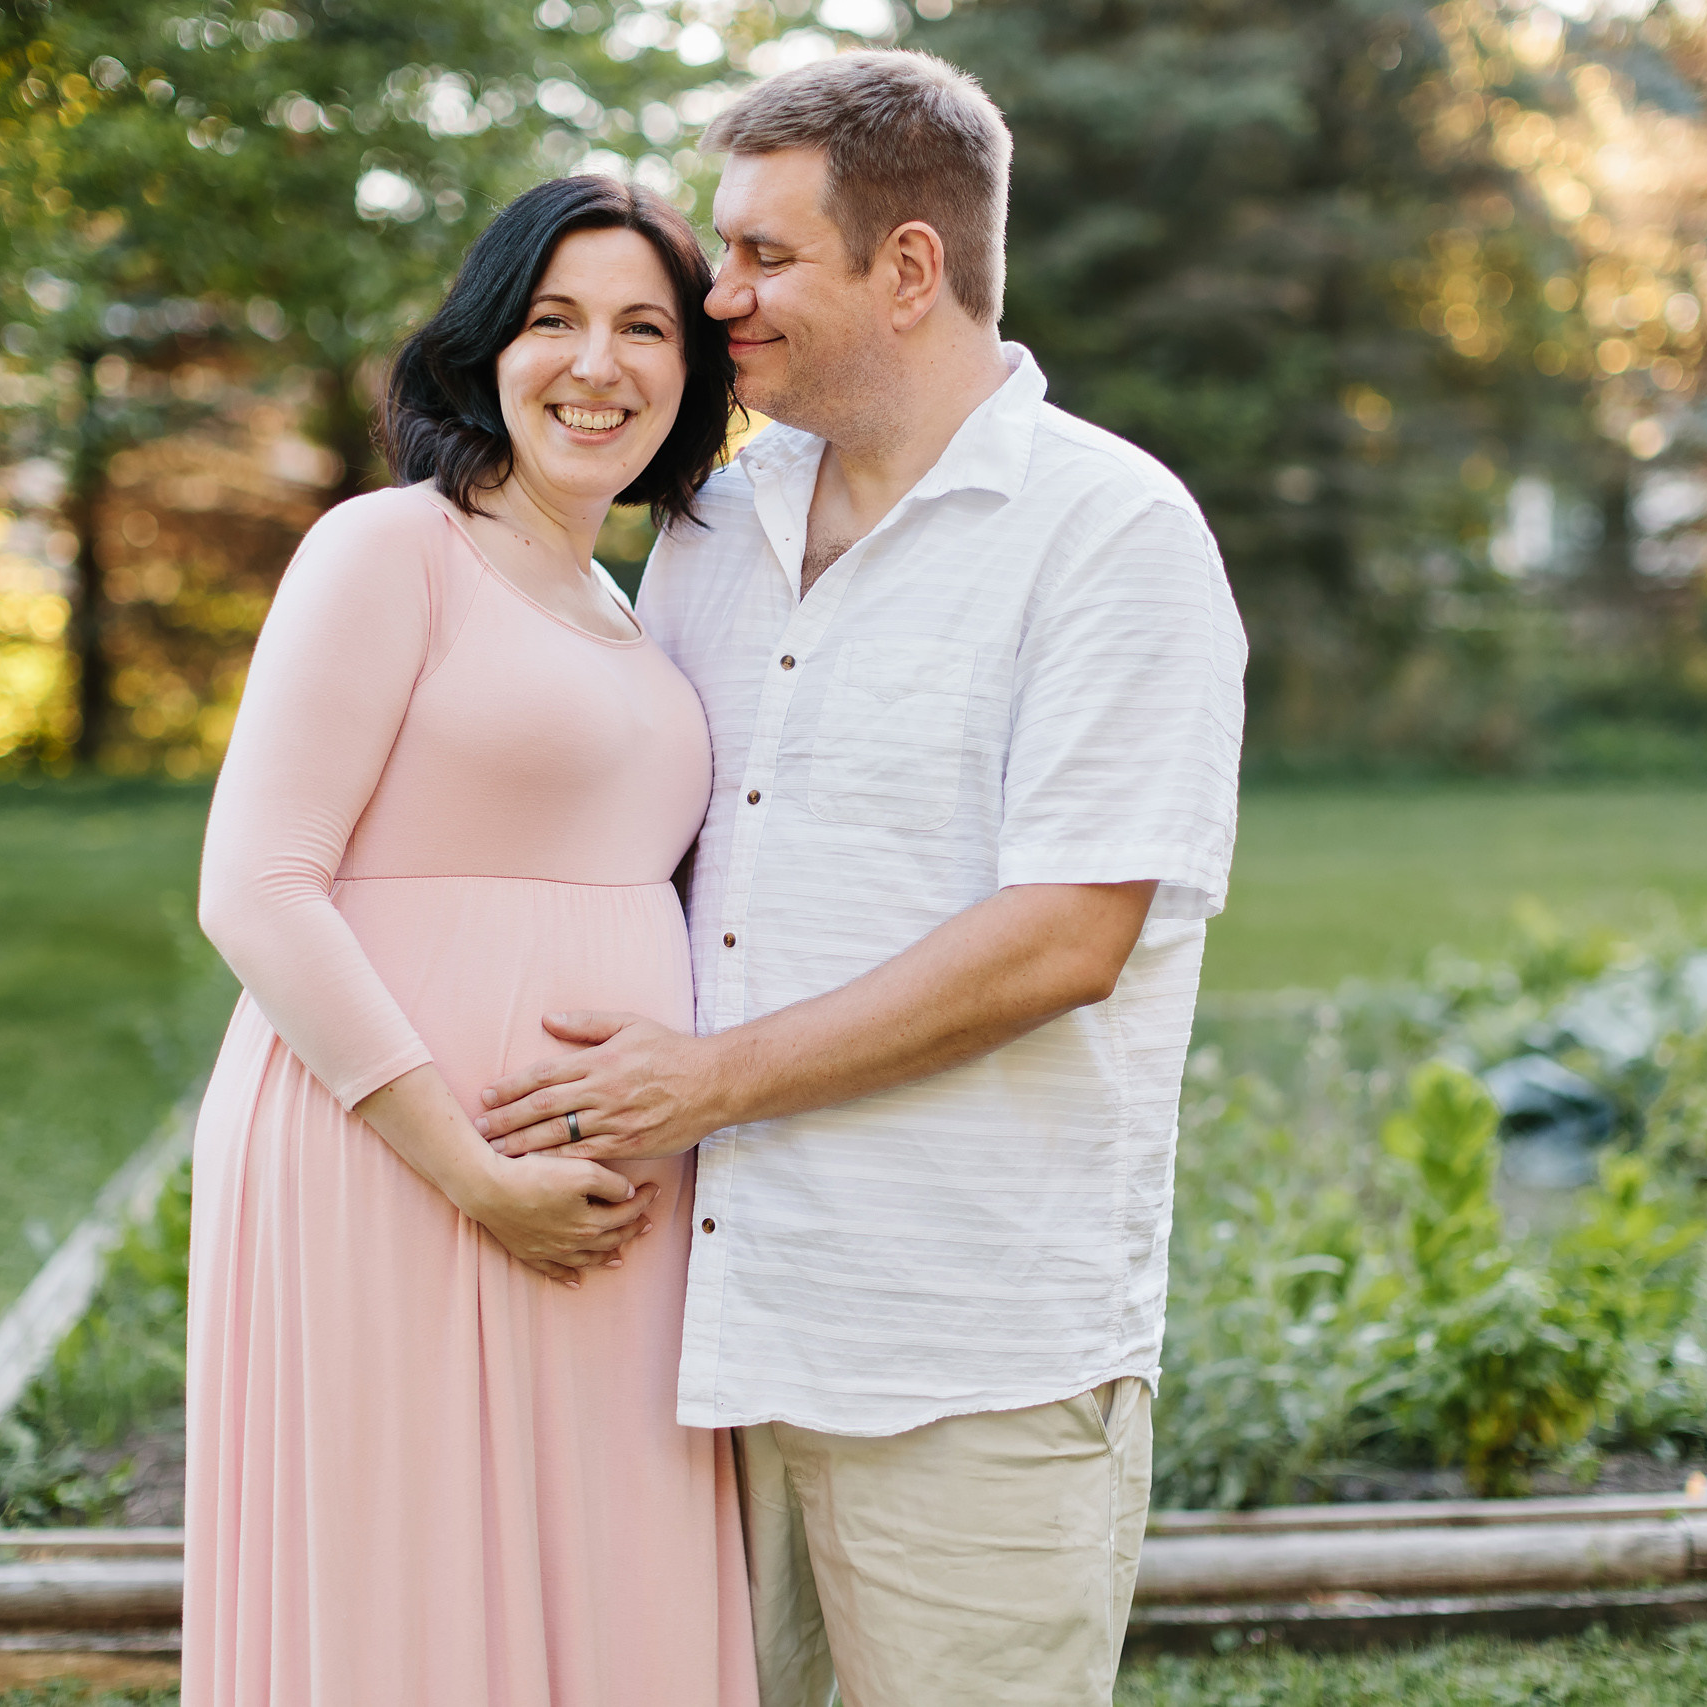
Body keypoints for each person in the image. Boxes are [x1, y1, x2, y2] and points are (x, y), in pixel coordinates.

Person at [474, 49, 1249, 1707]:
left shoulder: (1112, 534)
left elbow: (1065, 939)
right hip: (696, 1330)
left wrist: (704, 1084)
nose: (715, 295)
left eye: (760, 255)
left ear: (910, 269)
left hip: (965, 1346)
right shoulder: (709, 524)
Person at [181, 176, 757, 1706]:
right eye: (553, 319)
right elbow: (256, 884)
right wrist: (471, 1171)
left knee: (603, 1597)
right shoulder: (392, 549)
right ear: (485, 349)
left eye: (646, 327)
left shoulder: (629, 605)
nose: (598, 363)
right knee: (406, 1611)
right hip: (401, 1166)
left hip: (597, 1197)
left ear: (692, 378)